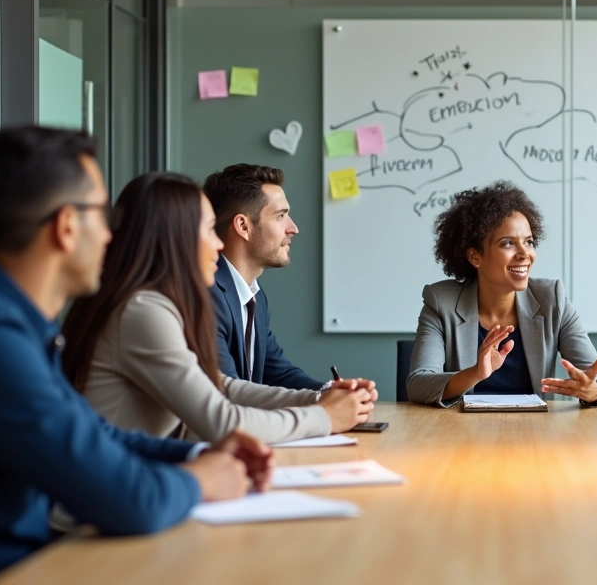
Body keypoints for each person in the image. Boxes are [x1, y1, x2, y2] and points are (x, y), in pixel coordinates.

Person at [0, 128, 269, 585]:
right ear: (64, 227)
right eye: (101, 214)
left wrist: (201, 452)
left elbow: (93, 434)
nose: (110, 233)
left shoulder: (1, 319)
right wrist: (202, 480)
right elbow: (129, 501)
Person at [61, 172, 375, 444]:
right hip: (107, 503)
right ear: (176, 238)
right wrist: (323, 417)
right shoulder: (142, 310)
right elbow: (220, 418)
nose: (220, 243)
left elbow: (219, 384)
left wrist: (319, 398)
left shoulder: (155, 303)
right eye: (210, 229)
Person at [409, 180, 597, 407]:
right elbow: (418, 385)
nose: (524, 254)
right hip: (463, 435)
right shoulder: (441, 302)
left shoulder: (551, 299)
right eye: (508, 243)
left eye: (528, 242)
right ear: (474, 256)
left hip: (534, 434)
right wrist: (476, 372)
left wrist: (592, 390)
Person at [203, 164, 370, 392]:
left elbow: (278, 372)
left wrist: (329, 392)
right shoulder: (206, 295)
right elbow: (229, 392)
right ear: (243, 226)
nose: (293, 228)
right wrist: (323, 405)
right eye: (280, 216)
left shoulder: (254, 295)